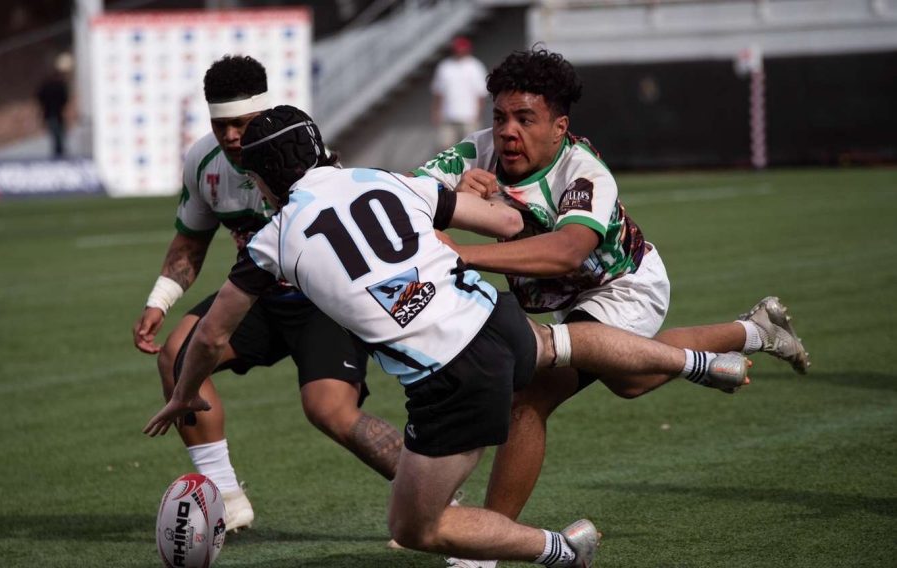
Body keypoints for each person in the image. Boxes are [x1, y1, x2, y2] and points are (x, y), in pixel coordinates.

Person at [143, 105, 751, 566]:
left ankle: (562, 551)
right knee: (560, 343)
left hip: (450, 382)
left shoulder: (273, 241)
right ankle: (700, 361)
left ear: (261, 180)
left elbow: (213, 333)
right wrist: (473, 197)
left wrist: (183, 392)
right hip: (495, 321)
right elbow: (508, 221)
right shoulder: (383, 180)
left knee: (418, 529)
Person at [412, 48, 809, 567]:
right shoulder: (476, 154)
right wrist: (453, 200)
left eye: (525, 119)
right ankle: (754, 330)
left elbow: (567, 251)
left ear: (559, 126)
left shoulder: (583, 170)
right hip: (564, 303)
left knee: (530, 398)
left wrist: (462, 251)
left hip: (625, 285)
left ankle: (483, 551)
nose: (508, 131)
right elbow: (402, 207)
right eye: (501, 116)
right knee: (630, 380)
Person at [131, 56, 403, 532]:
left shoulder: (298, 155)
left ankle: (438, 502)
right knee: (177, 356)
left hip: (324, 298)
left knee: (330, 411)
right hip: (256, 297)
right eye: (221, 124)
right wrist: (160, 298)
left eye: (242, 123)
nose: (232, 135)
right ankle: (226, 499)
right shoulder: (204, 162)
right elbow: (191, 242)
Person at [431, 36, 489, 150]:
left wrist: (478, 114)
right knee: (445, 148)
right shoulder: (445, 66)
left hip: (469, 116)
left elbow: (481, 94)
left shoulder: (475, 66)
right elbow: (438, 92)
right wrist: (436, 111)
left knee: (469, 150)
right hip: (447, 116)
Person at [36, 53, 71, 158]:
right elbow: (64, 98)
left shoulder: (47, 85)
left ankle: (58, 153)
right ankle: (59, 153)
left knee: (56, 134)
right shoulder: (57, 85)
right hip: (55, 113)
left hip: (52, 112)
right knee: (58, 134)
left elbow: (39, 97)